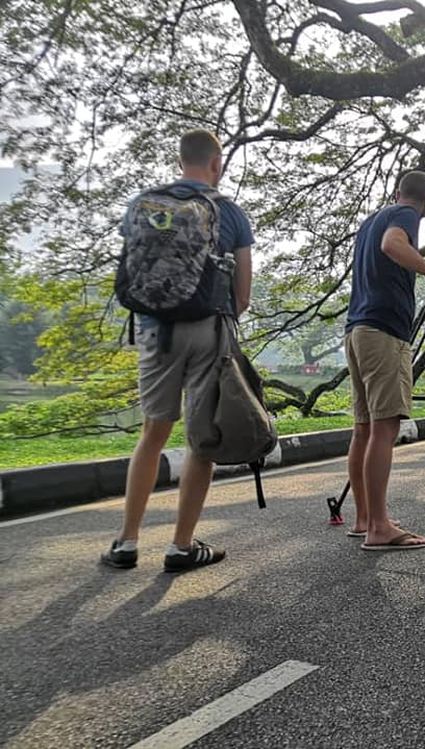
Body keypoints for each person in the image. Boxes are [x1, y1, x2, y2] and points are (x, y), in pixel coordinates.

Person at [100, 129, 253, 573]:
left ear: (181, 160)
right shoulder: (230, 213)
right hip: (208, 331)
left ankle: (127, 541)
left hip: (155, 331)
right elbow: (242, 296)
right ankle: (181, 546)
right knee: (200, 439)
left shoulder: (143, 204)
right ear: (216, 164)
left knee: (153, 433)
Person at [344, 170, 425, 550]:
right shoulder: (406, 215)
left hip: (358, 329)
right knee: (384, 429)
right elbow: (393, 246)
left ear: (398, 191)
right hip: (384, 331)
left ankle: (365, 518)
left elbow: (395, 252)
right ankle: (380, 528)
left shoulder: (373, 219)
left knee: (364, 429)